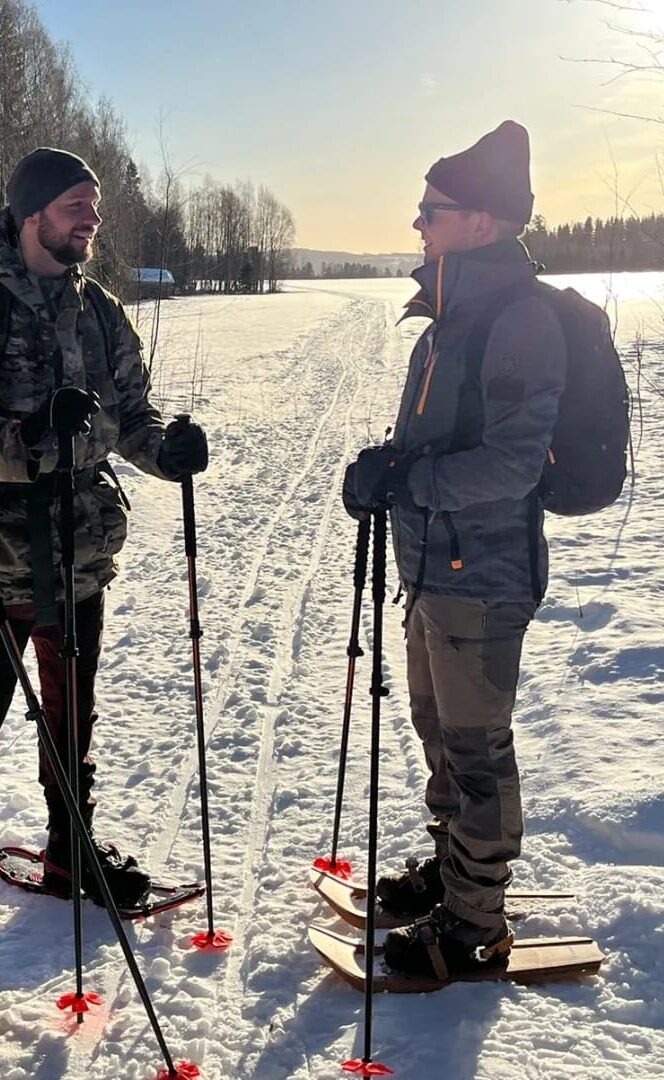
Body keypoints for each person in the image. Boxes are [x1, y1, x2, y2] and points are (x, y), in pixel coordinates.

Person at [0, 146, 208, 944]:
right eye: (78, 205)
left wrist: (163, 450)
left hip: (78, 557)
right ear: (32, 213)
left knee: (72, 717)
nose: (93, 220)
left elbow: (131, 414)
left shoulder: (100, 310)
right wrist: (30, 435)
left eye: (95, 208)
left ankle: (69, 849)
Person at [343, 121, 566, 978]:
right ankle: (452, 873)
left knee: (476, 748)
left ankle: (474, 922)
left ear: (480, 221)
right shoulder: (451, 318)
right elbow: (442, 444)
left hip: (485, 572)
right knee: (438, 731)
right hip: (438, 568)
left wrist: (409, 483)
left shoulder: (517, 321)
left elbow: (512, 464)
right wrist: (390, 467)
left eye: (431, 211)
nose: (418, 226)